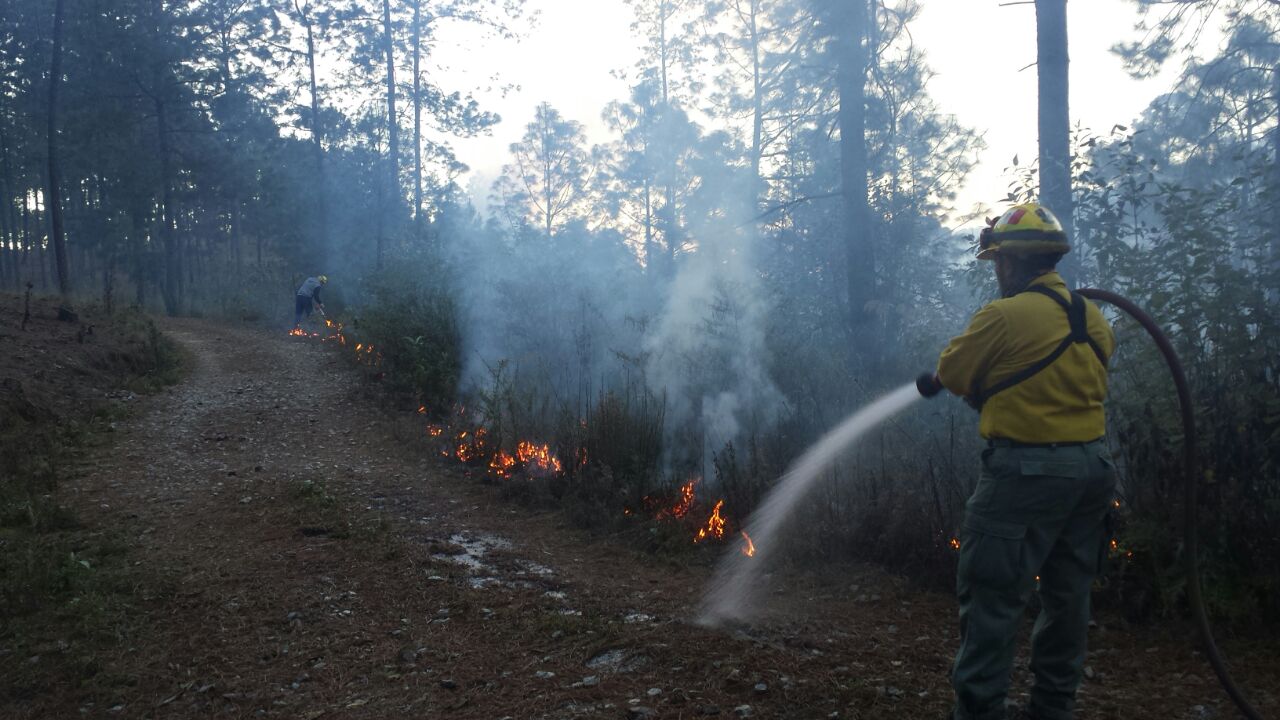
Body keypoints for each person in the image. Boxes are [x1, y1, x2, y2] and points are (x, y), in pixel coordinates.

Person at [919, 203, 1117, 720]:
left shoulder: (1003, 316)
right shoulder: (1092, 317)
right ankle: (1053, 710)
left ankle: (980, 711)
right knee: (1068, 601)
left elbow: (953, 373)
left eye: (998, 263)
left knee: (992, 599)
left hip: (1025, 477)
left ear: (1009, 262)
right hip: (1091, 474)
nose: (997, 273)